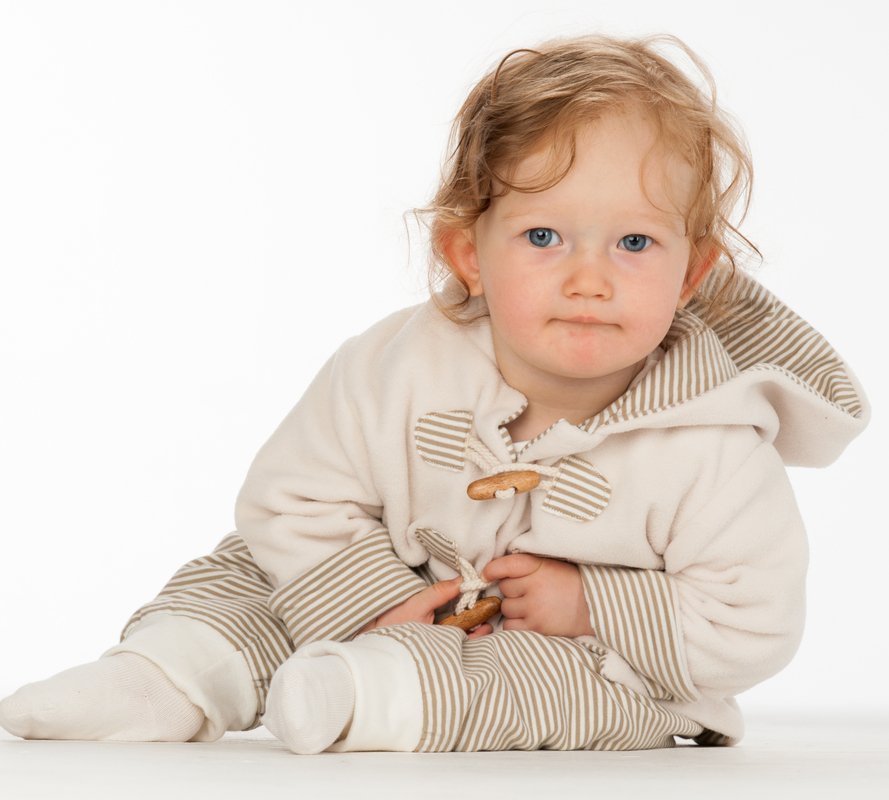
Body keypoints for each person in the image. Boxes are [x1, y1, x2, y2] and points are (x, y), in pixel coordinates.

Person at [0, 33, 868, 753]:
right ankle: (169, 674)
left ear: (693, 274)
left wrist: (589, 603)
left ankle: (377, 698)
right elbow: (292, 497)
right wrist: (374, 599)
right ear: (466, 254)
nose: (589, 279)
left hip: (573, 652)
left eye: (634, 244)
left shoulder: (714, 445)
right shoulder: (397, 364)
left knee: (572, 692)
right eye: (543, 236)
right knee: (252, 570)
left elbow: (752, 624)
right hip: (379, 581)